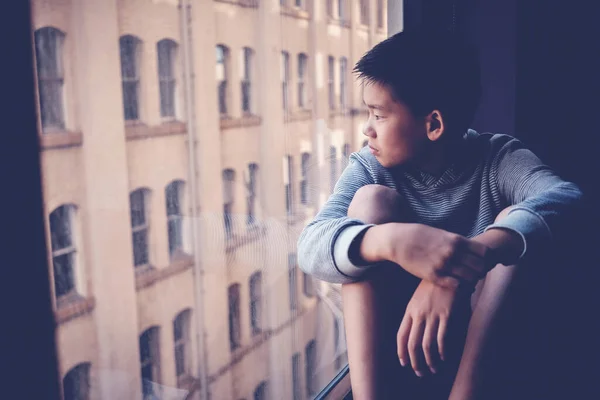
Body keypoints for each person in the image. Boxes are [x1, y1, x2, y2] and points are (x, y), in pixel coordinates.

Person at [297, 28, 582, 400]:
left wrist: (461, 265)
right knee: (369, 204)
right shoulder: (371, 168)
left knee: (515, 221)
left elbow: (568, 199)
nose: (367, 129)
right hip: (400, 343)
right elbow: (309, 247)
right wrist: (390, 242)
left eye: (378, 115)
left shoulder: (498, 159)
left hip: (482, 349)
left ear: (433, 124)